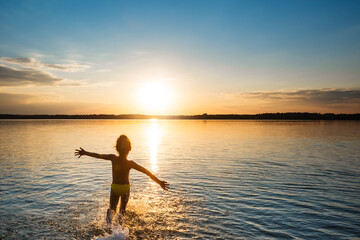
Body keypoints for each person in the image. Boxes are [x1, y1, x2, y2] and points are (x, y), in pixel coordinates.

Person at [74, 135, 169, 225]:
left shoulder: (113, 158)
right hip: (126, 188)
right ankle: (120, 231)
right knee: (122, 212)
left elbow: (98, 155)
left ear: (116, 148)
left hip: (115, 187)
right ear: (129, 149)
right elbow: (146, 172)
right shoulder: (130, 163)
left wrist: (85, 152)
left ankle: (109, 227)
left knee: (112, 209)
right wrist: (159, 182)